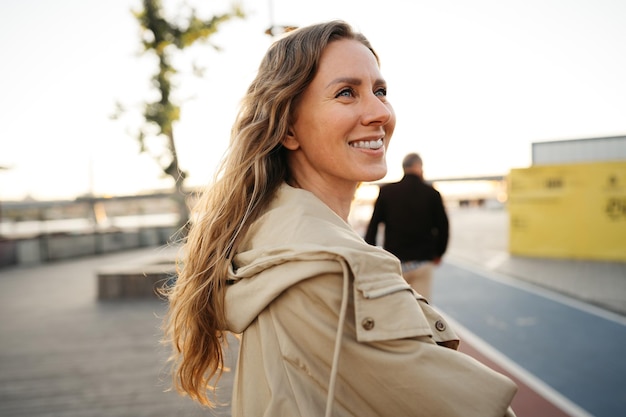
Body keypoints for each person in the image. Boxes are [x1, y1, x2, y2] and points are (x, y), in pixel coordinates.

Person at [162, 20, 517, 417]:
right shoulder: (332, 270)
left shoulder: (270, 241)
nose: (380, 112)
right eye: (347, 93)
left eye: (380, 91)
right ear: (289, 128)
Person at [364, 153, 449, 300]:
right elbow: (443, 227)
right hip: (423, 261)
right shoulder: (432, 193)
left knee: (397, 311)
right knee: (423, 313)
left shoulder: (386, 192)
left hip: (395, 263)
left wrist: (372, 257)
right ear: (418, 166)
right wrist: (439, 253)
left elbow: (373, 227)